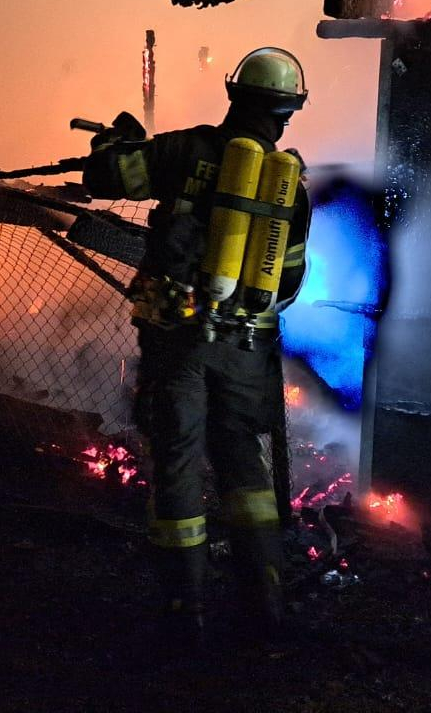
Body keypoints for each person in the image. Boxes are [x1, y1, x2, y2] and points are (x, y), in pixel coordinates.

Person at [81, 47, 311, 645]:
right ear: (289, 110)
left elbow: (105, 177)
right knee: (243, 462)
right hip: (245, 349)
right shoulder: (291, 188)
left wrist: (114, 142)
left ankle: (186, 610)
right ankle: (265, 602)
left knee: (179, 460)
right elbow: (288, 282)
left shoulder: (187, 150)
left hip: (177, 339)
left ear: (234, 94)